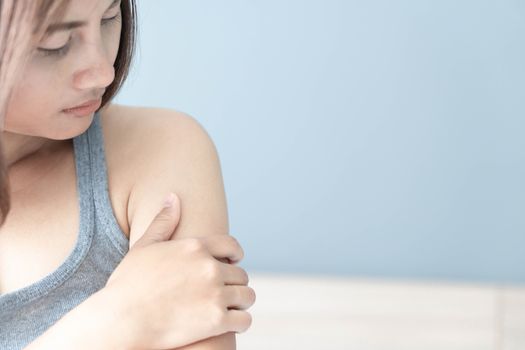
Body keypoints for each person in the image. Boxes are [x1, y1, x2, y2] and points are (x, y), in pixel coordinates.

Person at [0, 0, 256, 349]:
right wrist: (118, 319)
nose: (103, 71)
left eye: (109, 17)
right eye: (54, 43)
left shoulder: (160, 149)